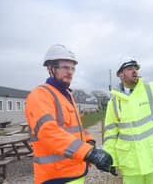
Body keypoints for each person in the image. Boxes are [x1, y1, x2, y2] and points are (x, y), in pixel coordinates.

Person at [25, 44, 115, 184]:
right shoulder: (40, 95)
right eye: (65, 67)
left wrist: (89, 141)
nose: (70, 72)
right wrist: (88, 153)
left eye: (72, 68)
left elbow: (75, 128)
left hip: (76, 170)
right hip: (56, 176)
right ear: (50, 68)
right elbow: (49, 133)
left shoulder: (67, 96)